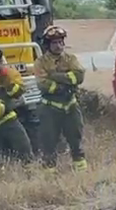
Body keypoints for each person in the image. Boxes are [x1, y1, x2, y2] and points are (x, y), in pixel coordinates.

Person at [33, 25, 88, 171]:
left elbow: (79, 76)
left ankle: (81, 171)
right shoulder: (40, 62)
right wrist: (64, 84)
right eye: (54, 43)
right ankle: (50, 173)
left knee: (76, 139)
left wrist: (55, 76)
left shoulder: (71, 58)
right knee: (48, 142)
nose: (58, 46)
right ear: (47, 44)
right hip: (49, 108)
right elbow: (43, 84)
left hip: (70, 105)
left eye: (60, 42)